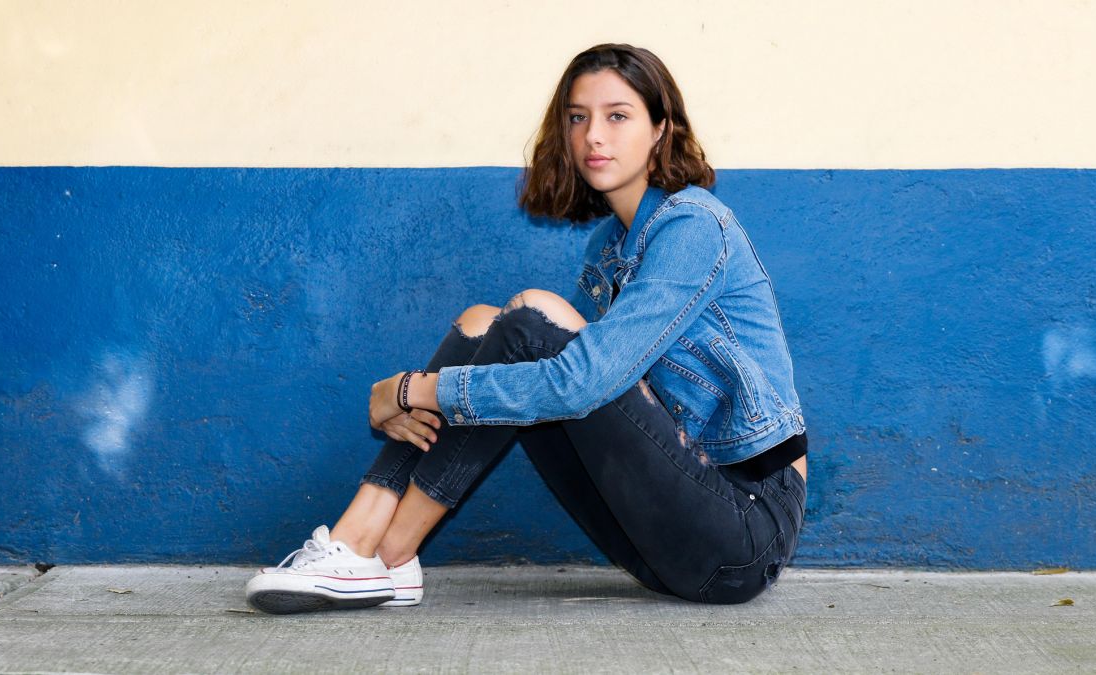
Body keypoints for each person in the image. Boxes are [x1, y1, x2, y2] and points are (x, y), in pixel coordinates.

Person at [245, 43, 808, 613]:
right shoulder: (608, 248)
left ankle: (376, 548)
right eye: (577, 117)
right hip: (654, 543)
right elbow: (570, 385)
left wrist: (412, 389)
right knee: (483, 324)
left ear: (661, 129)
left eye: (618, 116)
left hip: (742, 533)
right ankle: (376, 550)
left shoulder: (694, 226)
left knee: (528, 325)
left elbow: (579, 383)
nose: (593, 135)